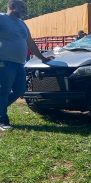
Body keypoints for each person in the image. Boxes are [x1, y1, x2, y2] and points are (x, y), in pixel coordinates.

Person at [0, 0, 53, 131]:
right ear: (12, 6)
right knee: (4, 91)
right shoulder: (1, 18)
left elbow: (30, 42)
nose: (24, 9)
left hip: (19, 63)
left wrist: (42, 58)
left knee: (20, 89)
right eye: (21, 7)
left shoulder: (22, 23)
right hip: (5, 62)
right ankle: (2, 120)